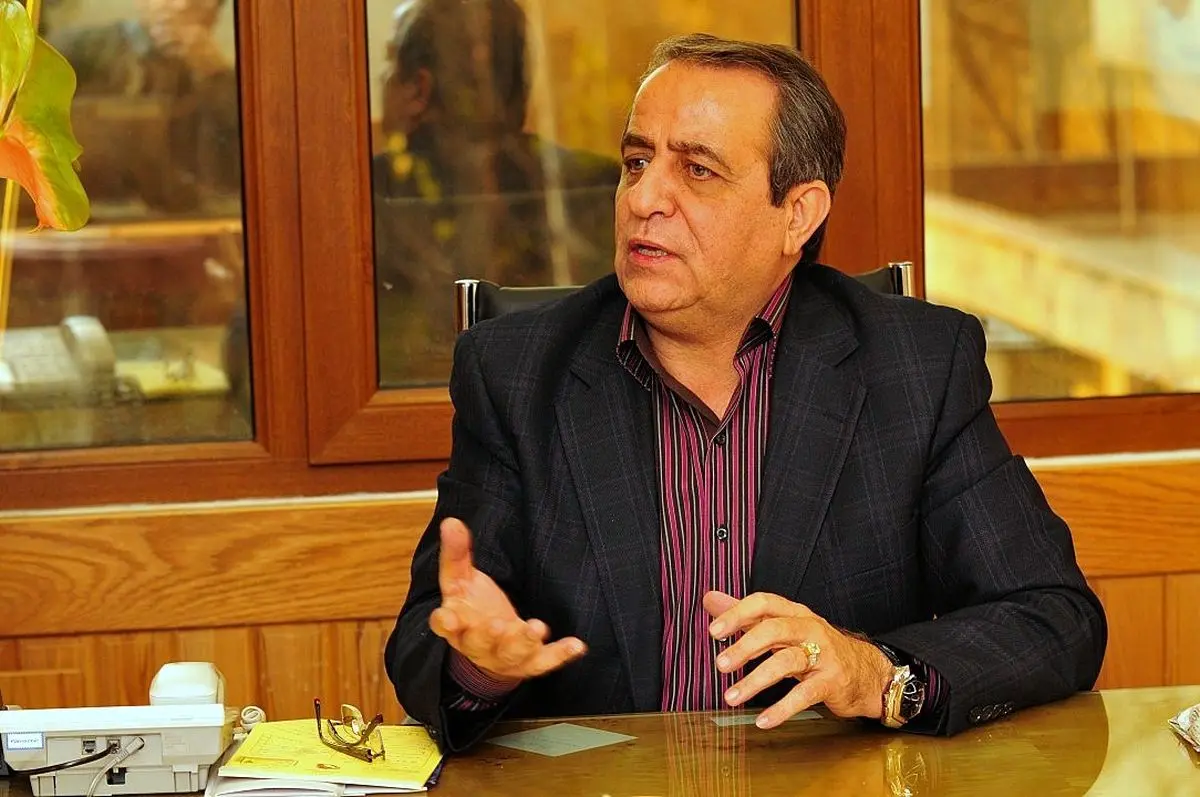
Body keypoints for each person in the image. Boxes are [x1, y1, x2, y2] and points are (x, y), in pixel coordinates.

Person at [385, 33, 1106, 753]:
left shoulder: (913, 368)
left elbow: (1054, 616)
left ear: (798, 214)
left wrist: (876, 674)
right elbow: (430, 637)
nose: (644, 198)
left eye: (697, 170)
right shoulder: (517, 373)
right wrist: (480, 664)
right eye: (636, 162)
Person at [371, 0, 620, 384]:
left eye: (389, 62)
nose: (381, 78)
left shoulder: (367, 199)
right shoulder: (596, 185)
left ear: (419, 88)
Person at [46, 0, 241, 216]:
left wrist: (216, 75)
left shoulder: (230, 80)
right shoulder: (79, 48)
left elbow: (243, 164)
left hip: (193, 221)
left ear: (216, 12)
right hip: (86, 218)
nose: (181, 5)